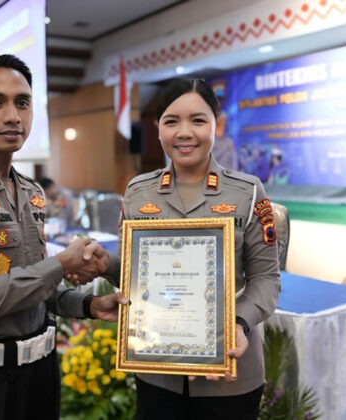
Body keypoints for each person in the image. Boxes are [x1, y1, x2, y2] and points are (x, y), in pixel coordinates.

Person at [0, 54, 127, 420]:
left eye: (23, 103)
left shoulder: (31, 191)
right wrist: (60, 263)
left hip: (41, 371)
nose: (13, 116)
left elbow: (35, 287)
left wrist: (88, 306)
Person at [95, 78, 280, 419]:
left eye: (197, 120)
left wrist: (239, 323)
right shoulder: (138, 192)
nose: (184, 132)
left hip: (229, 371)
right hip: (157, 369)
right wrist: (103, 263)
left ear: (215, 125)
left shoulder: (248, 191)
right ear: (158, 127)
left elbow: (266, 278)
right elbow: (134, 275)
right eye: (171, 121)